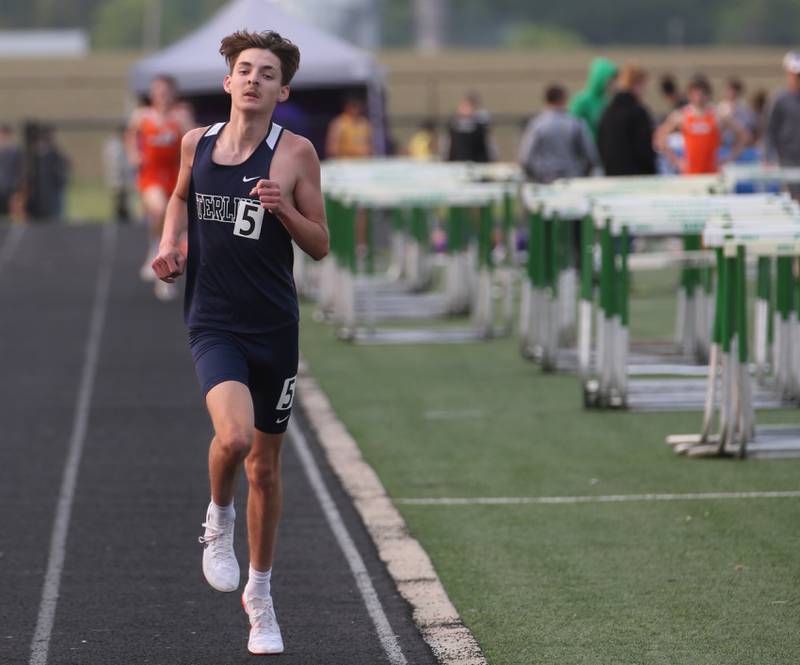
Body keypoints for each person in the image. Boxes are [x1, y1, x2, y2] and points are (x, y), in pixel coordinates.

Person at [151, 29, 327, 656]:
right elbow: (178, 199)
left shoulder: (296, 154)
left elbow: (320, 244)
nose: (253, 79)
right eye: (244, 69)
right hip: (214, 320)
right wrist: (170, 244)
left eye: (267, 72)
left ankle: (261, 597)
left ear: (284, 90)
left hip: (274, 326)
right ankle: (218, 519)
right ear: (227, 82)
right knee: (235, 438)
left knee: (267, 470)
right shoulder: (194, 144)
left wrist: (284, 210)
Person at [126, 74, 194, 300]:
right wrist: (134, 154)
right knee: (159, 210)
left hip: (175, 173)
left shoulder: (180, 116)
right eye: (158, 92)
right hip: (151, 175)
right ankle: (156, 248)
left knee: (174, 221)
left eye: (166, 92)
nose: (162, 97)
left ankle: (164, 258)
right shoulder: (142, 116)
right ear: (152, 94)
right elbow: (130, 136)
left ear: (173, 94)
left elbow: (194, 138)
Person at [655, 74, 749, 174]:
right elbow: (659, 137)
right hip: (690, 173)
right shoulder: (681, 116)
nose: (698, 97)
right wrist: (676, 161)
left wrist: (729, 159)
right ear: (689, 95)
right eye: (695, 93)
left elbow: (744, 136)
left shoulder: (718, 115)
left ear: (708, 94)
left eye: (702, 93)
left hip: (712, 172)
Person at [517, 84, 598, 183]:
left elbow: (525, 158)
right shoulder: (576, 123)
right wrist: (581, 175)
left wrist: (537, 177)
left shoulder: (537, 125)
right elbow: (590, 156)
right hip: (572, 181)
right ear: (564, 99)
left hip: (545, 181)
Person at [597, 65, 657, 176]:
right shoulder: (638, 112)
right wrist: (651, 172)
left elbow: (600, 144)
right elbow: (644, 148)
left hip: (612, 175)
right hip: (636, 177)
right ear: (636, 85)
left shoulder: (607, 112)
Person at [765, 51, 800, 196]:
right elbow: (771, 130)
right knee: (794, 195)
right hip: (788, 157)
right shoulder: (780, 99)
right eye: (796, 75)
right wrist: (768, 156)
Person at [25, 124, 70, 221]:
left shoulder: (54, 151)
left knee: (56, 213)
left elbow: (65, 163)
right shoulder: (36, 152)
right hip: (42, 189)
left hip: (55, 186)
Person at [568, 58, 618, 143]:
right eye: (611, 80)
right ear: (600, 79)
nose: (614, 84)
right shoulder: (581, 101)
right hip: (585, 152)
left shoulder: (608, 101)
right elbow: (571, 128)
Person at [447, 92, 493, 162]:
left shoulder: (480, 125)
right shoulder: (454, 125)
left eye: (467, 106)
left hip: (478, 162)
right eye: (463, 106)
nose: (464, 109)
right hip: (457, 162)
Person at [718, 77, 758, 152]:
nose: (731, 93)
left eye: (734, 90)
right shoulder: (719, 109)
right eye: (728, 90)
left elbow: (751, 134)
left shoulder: (746, 111)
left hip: (741, 149)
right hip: (723, 148)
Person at [0, 124, 23, 220]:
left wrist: (17, 189)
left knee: (14, 213)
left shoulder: (15, 152)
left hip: (10, 188)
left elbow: (19, 171)